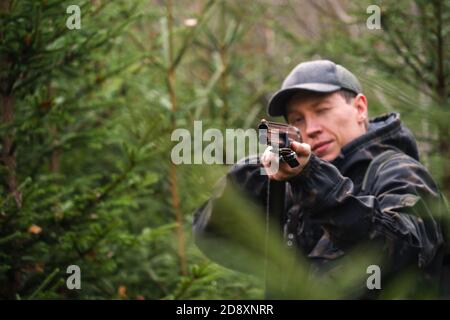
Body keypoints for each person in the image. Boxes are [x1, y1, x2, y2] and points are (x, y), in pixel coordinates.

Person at [193, 60, 449, 298]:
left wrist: (316, 180)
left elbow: (403, 253)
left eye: (322, 110)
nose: (311, 128)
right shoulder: (296, 187)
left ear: (360, 108)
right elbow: (214, 238)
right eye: (297, 119)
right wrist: (254, 175)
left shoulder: (398, 171)